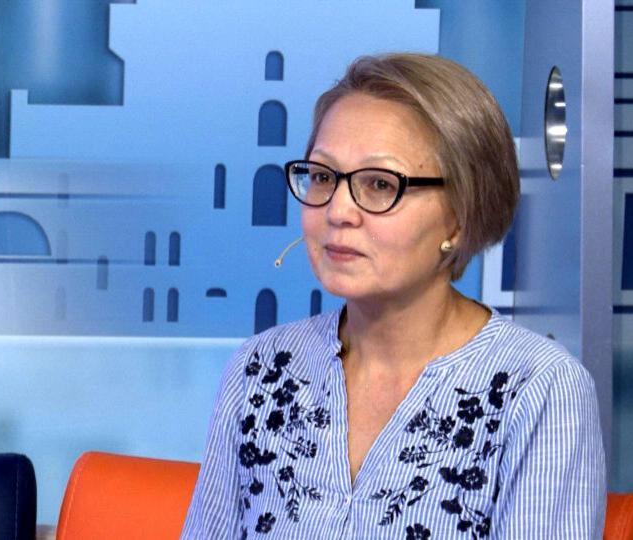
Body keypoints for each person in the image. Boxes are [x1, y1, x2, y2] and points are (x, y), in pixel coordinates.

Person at [182, 53, 605, 539]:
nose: (338, 211)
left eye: (380, 185)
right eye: (322, 177)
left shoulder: (539, 389)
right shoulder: (260, 368)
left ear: (460, 215)